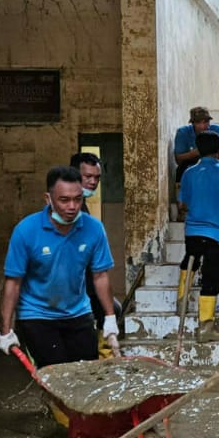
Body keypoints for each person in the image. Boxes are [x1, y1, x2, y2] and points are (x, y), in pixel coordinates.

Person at [0, 166, 118, 368]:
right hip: (37, 314)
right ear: (48, 199)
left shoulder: (93, 229)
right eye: (64, 200)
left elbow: (100, 276)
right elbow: (13, 282)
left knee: (87, 373)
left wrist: (110, 317)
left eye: (78, 199)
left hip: (78, 312)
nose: (72, 206)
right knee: (56, 374)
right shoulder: (26, 231)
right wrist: (5, 330)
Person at [177, 131, 219, 341]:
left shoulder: (188, 173)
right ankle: (205, 328)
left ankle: (181, 303)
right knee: (210, 277)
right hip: (216, 233)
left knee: (190, 262)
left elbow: (183, 205)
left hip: (193, 232)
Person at [69, 151, 122, 355]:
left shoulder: (86, 213)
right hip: (70, 285)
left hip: (87, 280)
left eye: (97, 177)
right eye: (88, 177)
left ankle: (103, 356)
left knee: (112, 310)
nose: (93, 182)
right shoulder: (69, 209)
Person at [174, 106, 219, 186]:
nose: (202, 126)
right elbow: (178, 160)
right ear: (193, 123)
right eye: (198, 122)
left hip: (211, 167)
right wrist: (196, 153)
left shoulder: (216, 130)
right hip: (188, 167)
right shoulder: (183, 132)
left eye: (205, 122)